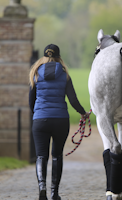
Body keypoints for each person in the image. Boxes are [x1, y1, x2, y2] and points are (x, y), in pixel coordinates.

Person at [29, 44, 89, 200]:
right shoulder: (64, 75)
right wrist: (83, 113)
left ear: (44, 57)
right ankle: (54, 193)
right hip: (61, 120)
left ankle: (42, 187)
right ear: (58, 57)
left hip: (40, 119)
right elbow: (73, 100)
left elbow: (31, 101)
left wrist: (37, 114)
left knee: (41, 156)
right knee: (56, 155)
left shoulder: (35, 73)